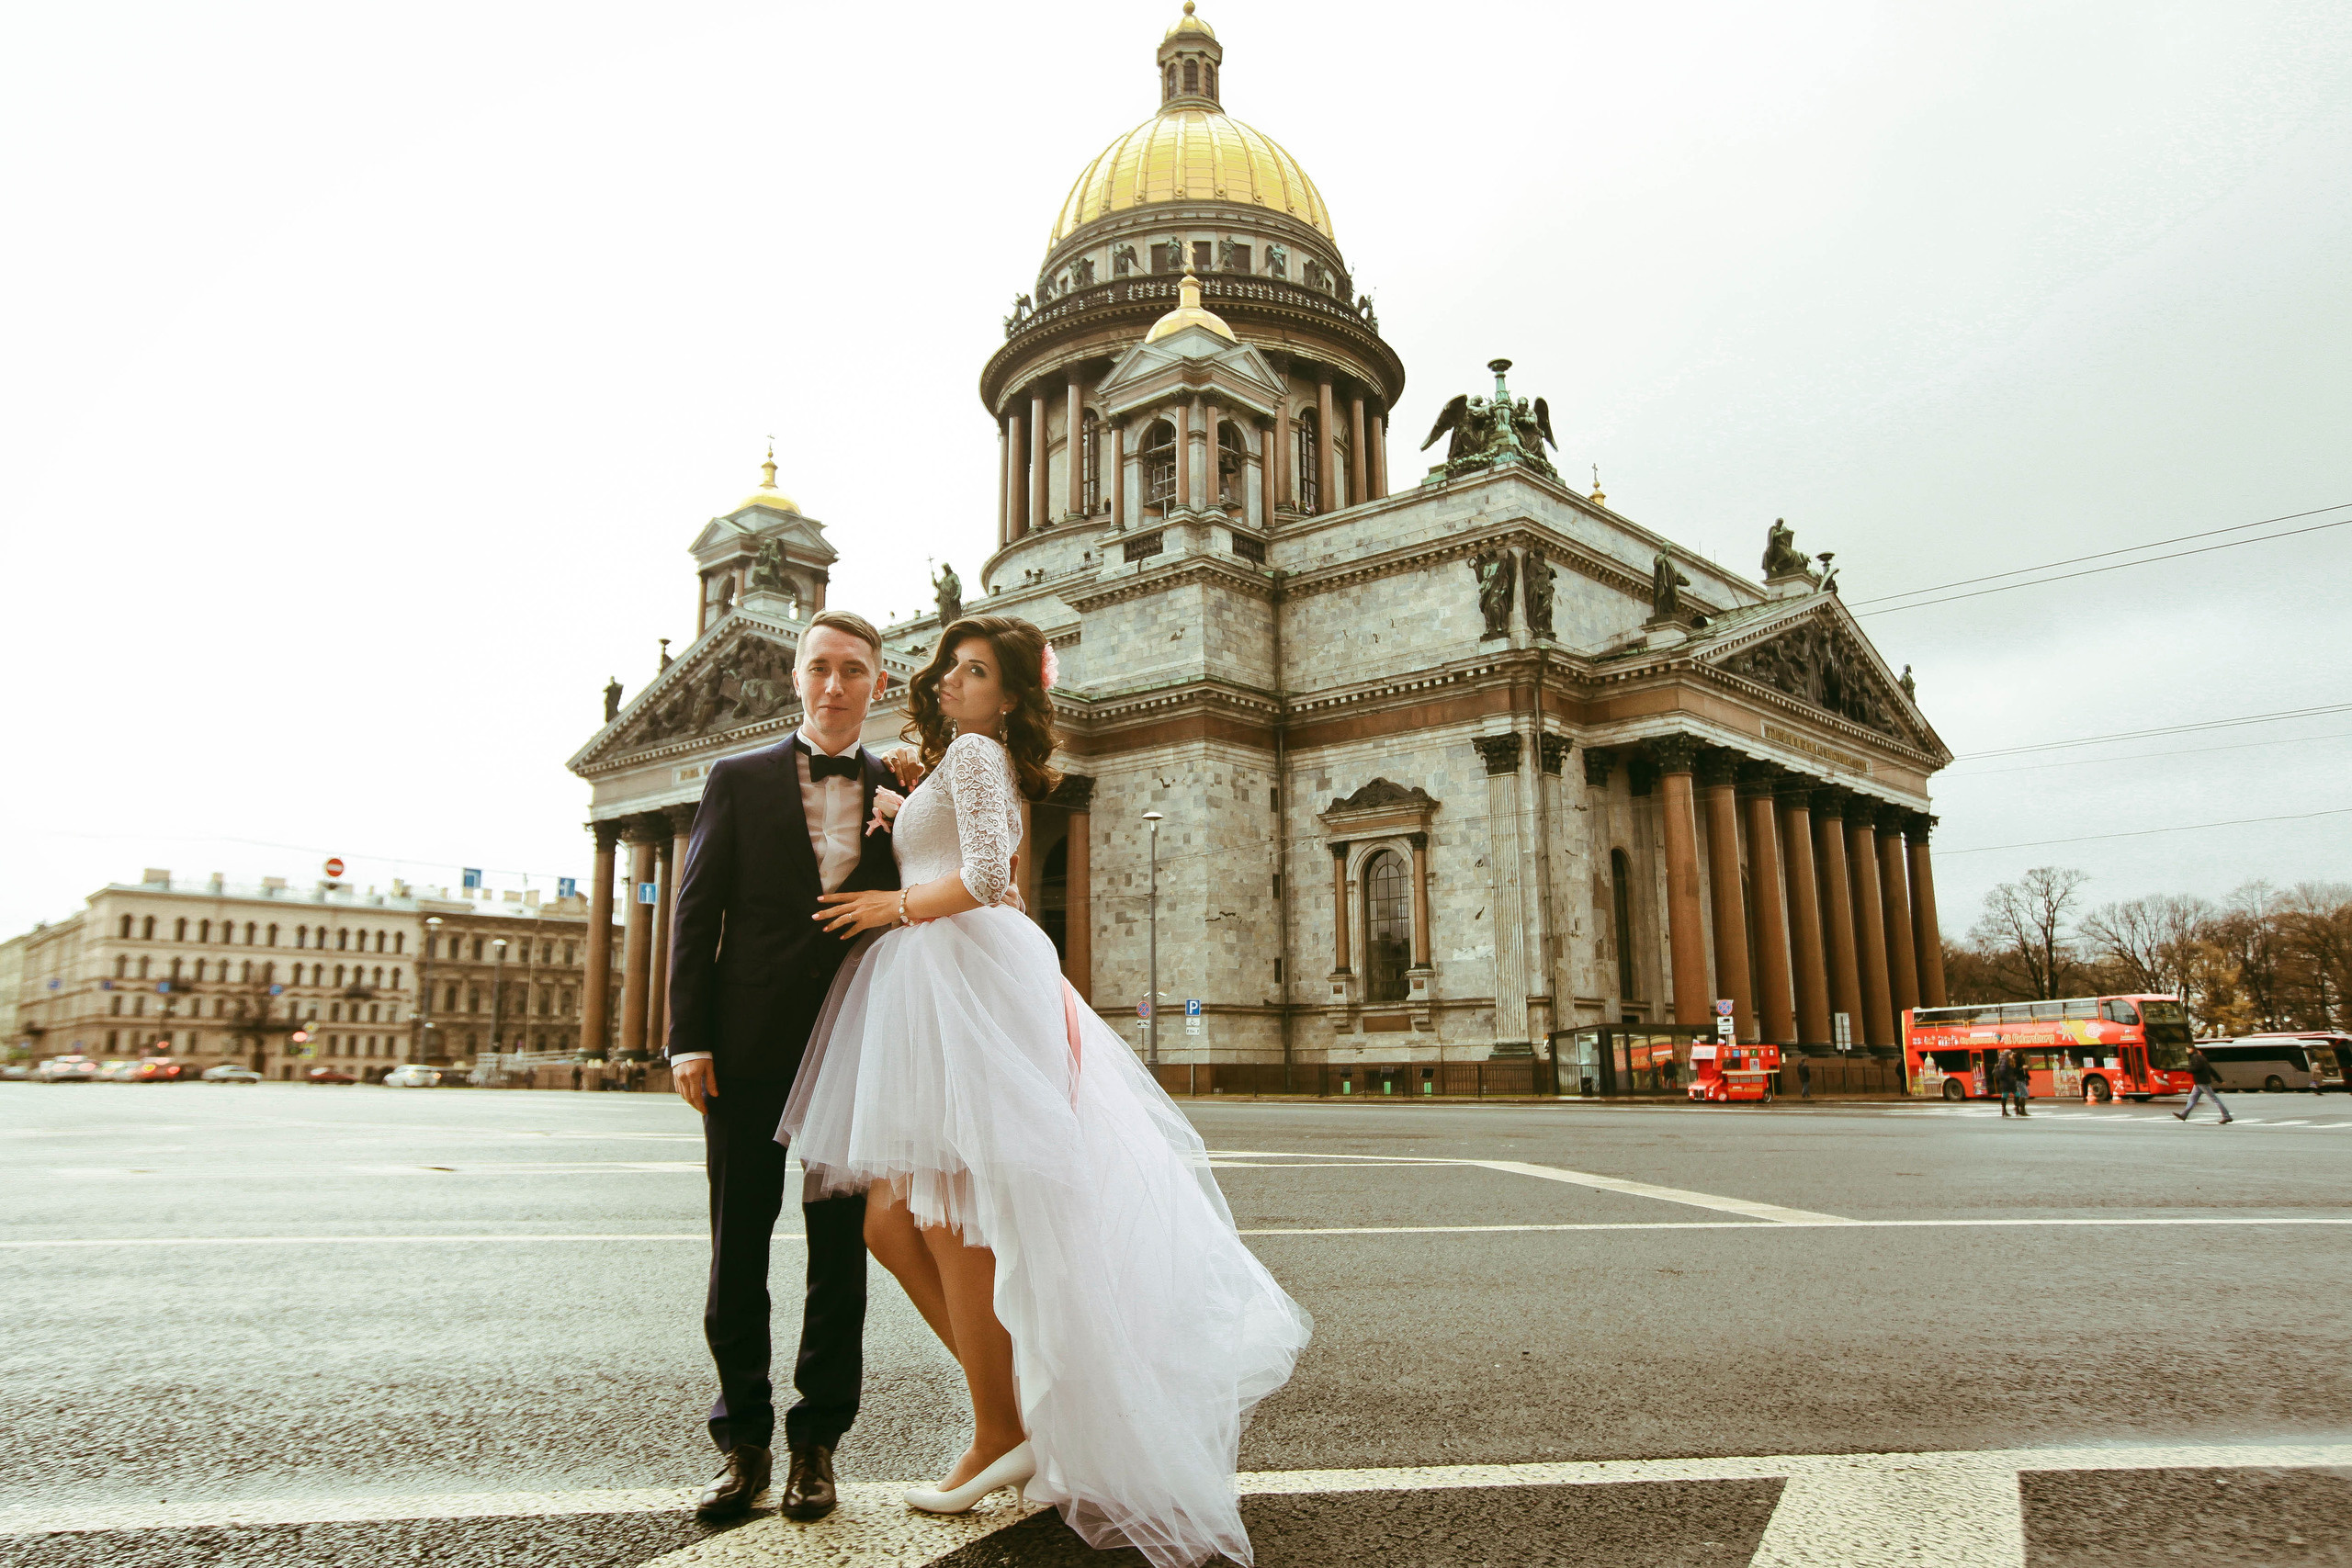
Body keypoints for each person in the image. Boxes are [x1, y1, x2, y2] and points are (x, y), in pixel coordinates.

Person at [781, 615, 1311, 1568]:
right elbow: (979, 860)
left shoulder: (978, 758)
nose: (947, 678)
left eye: (973, 670)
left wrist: (889, 902)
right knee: (902, 1221)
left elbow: (990, 875)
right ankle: (1023, 1411)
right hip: (951, 979)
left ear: (1011, 696)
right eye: (948, 665)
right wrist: (908, 811)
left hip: (957, 975)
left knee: (940, 1220)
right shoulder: (962, 760)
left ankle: (1002, 1429)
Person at [664, 611, 906, 1525]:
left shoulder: (903, 784)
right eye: (819, 669)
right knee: (739, 1248)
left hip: (852, 1041)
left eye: (852, 670)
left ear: (877, 683)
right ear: (795, 679)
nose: (834, 685)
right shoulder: (736, 778)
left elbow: (931, 899)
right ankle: (744, 1441)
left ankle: (818, 1443)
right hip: (746, 1043)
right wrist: (689, 1037)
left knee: (840, 1254)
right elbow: (696, 913)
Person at [2176, 1043, 2233, 1123]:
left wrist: (2187, 1069)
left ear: (2191, 1049)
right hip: (2199, 1082)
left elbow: (2196, 1068)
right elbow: (2211, 1069)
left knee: (2214, 1099)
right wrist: (2220, 1080)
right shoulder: (2201, 1057)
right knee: (2192, 1099)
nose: (2186, 1051)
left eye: (2187, 1049)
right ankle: (2184, 1115)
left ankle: (2226, 1116)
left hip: (2201, 1082)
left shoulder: (2195, 1057)